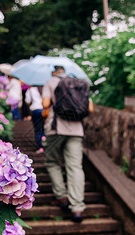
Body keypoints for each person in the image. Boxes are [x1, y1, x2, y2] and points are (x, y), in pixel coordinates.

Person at [41, 66, 94, 222]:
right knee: (75, 167)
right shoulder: (79, 83)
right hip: (77, 130)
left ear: (53, 72)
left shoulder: (51, 82)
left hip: (56, 128)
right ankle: (77, 207)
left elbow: (45, 104)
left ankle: (62, 197)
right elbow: (89, 108)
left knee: (52, 161)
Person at [25, 85, 45, 152]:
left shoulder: (31, 89)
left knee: (38, 129)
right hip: (45, 110)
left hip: (35, 110)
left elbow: (27, 101)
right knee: (45, 128)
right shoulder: (45, 88)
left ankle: (40, 147)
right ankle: (45, 141)